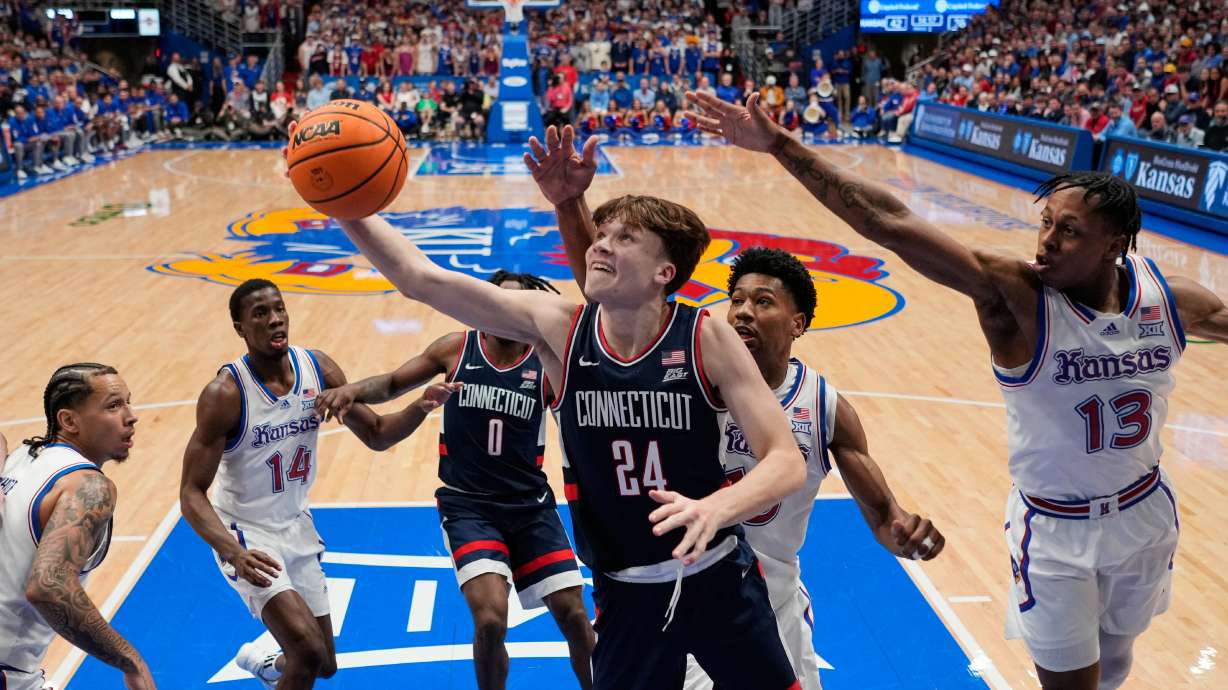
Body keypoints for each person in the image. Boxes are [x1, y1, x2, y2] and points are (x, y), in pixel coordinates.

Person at [688, 89, 1228, 690]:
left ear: (1114, 244)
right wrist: (781, 145)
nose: (1046, 240)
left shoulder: (1170, 300)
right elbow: (891, 222)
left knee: (1115, 667)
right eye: (1045, 222)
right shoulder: (1015, 297)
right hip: (1056, 527)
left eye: (1069, 231)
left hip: (1146, 513)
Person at [304, 123, 807, 690]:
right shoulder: (560, 329)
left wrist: (718, 509)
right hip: (626, 588)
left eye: (623, 239)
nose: (599, 244)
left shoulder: (704, 338)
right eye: (601, 234)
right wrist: (342, 202)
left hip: (716, 576)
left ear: (665, 273)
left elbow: (784, 459)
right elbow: (421, 280)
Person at [555, 225, 947, 690]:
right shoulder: (693, 373)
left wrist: (903, 535)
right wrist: (570, 206)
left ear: (798, 323)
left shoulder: (824, 407)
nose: (742, 312)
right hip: (687, 581)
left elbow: (885, 516)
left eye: (762, 302)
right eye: (736, 300)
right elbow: (610, 295)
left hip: (771, 599)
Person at [314, 271, 595, 690]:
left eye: (514, 304)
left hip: (530, 506)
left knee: (574, 614)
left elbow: (585, 411)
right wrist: (352, 390)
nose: (503, 311)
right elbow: (391, 383)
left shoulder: (545, 359)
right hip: (469, 506)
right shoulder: (455, 348)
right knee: (489, 619)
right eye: (495, 301)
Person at [180, 279, 455, 689]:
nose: (275, 320)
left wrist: (422, 405)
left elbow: (377, 433)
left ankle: (265, 661)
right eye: (260, 314)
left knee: (323, 663)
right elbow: (190, 492)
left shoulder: (318, 369)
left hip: (296, 523)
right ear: (240, 327)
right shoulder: (225, 393)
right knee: (306, 651)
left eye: (279, 309)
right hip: (246, 532)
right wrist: (233, 551)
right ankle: (281, 656)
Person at [0, 364, 156, 690]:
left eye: (128, 402)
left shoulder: (20, 457)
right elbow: (48, 586)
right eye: (113, 406)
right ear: (69, 421)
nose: (132, 416)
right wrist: (129, 659)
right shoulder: (89, 486)